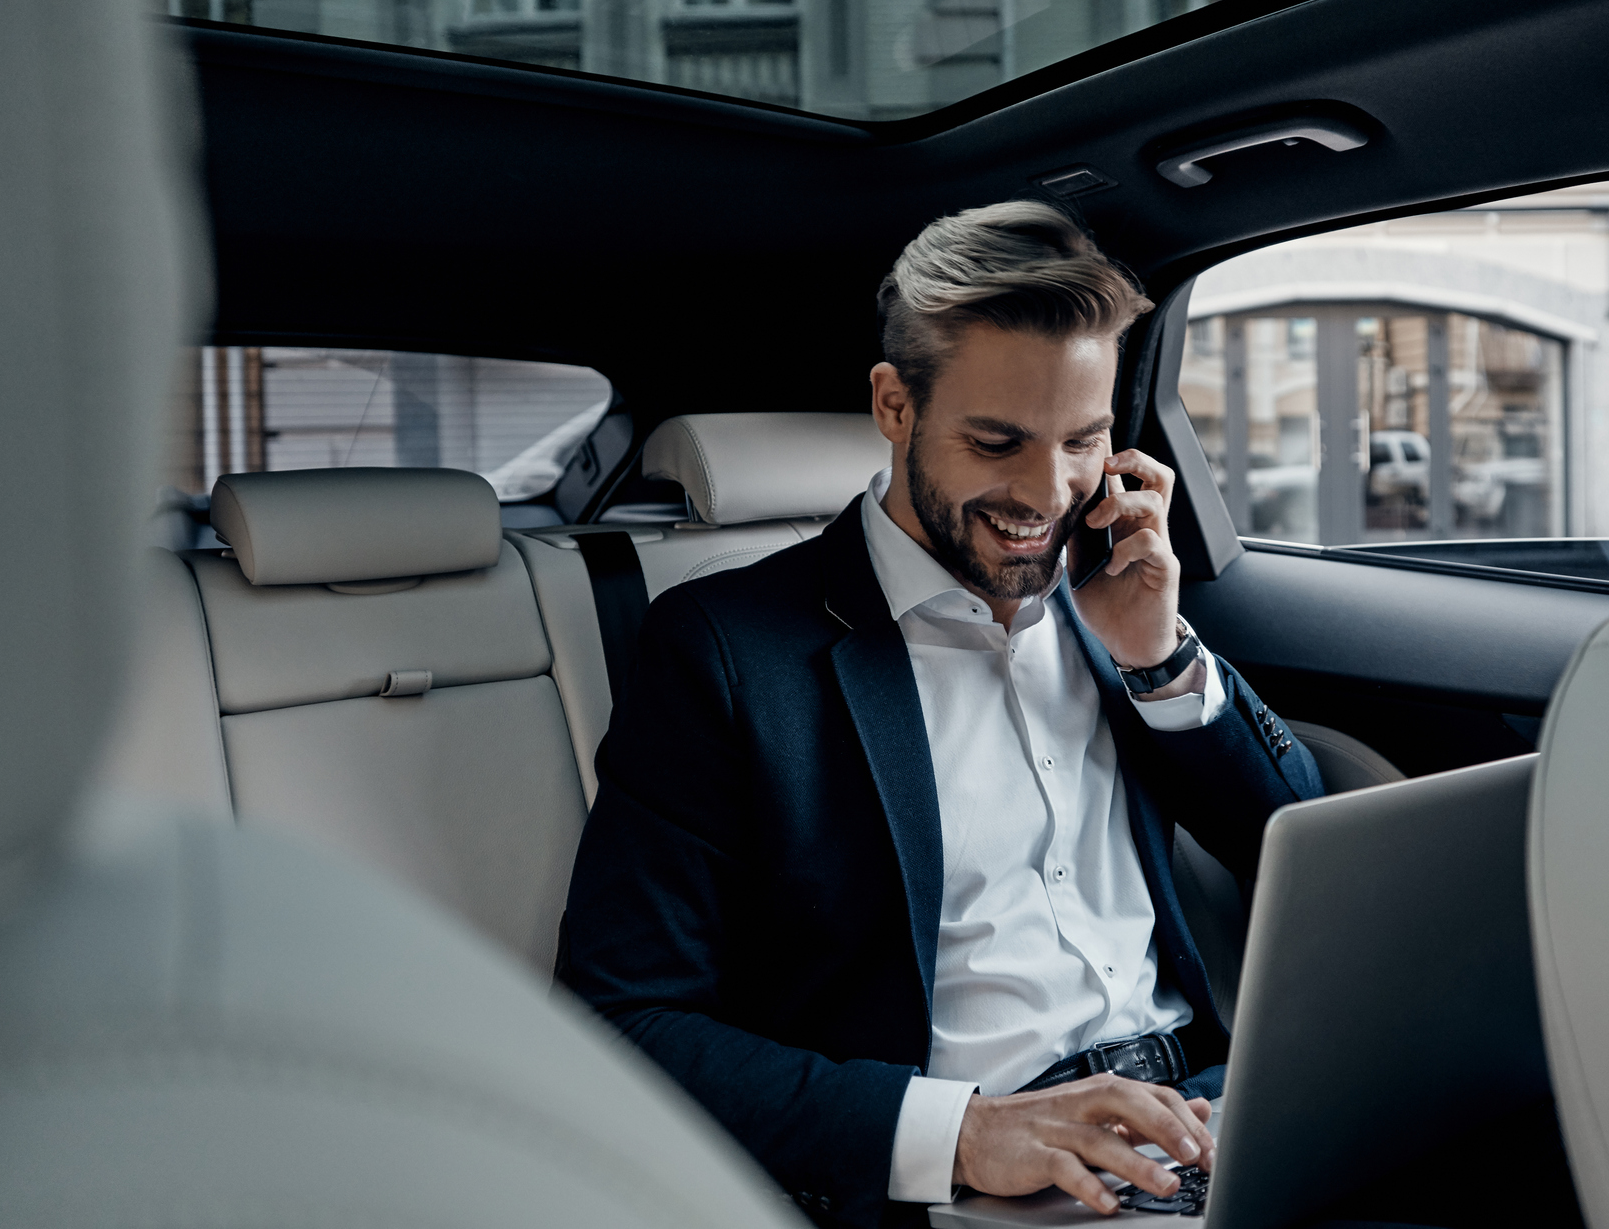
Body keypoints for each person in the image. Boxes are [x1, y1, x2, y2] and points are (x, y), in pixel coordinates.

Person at [559, 201, 1322, 1229]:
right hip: (979, 1185)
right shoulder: (726, 651)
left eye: (1083, 441)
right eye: (997, 441)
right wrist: (964, 1133)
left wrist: (1158, 654)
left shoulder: (1116, 595)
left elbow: (1297, 849)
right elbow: (620, 1020)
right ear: (892, 404)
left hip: (1203, 1118)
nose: (1047, 492)